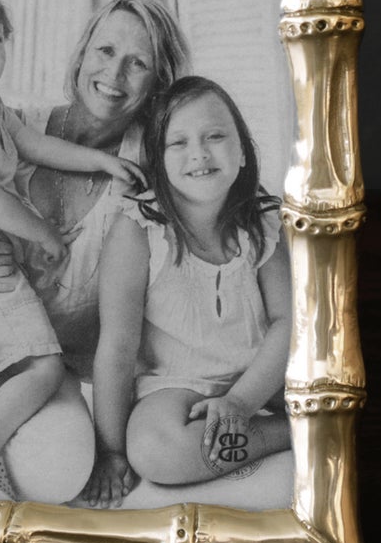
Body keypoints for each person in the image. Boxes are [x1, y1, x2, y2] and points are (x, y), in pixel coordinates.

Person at [0, 0, 189, 507]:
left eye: (138, 63)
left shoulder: (145, 179)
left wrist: (113, 448)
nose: (114, 74)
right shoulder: (1, 120)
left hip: (44, 361)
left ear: (158, 82)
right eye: (106, 51)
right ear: (82, 53)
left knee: (58, 468)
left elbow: (122, 331)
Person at [93, 76, 292, 491]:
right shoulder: (137, 230)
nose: (199, 153)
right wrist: (110, 451)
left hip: (261, 375)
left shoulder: (262, 220)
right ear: (159, 161)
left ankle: (282, 423)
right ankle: (289, 433)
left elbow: (286, 322)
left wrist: (241, 401)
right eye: (178, 142)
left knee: (336, 386)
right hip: (177, 383)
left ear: (242, 151)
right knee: (156, 451)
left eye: (215, 136)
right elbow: (117, 348)